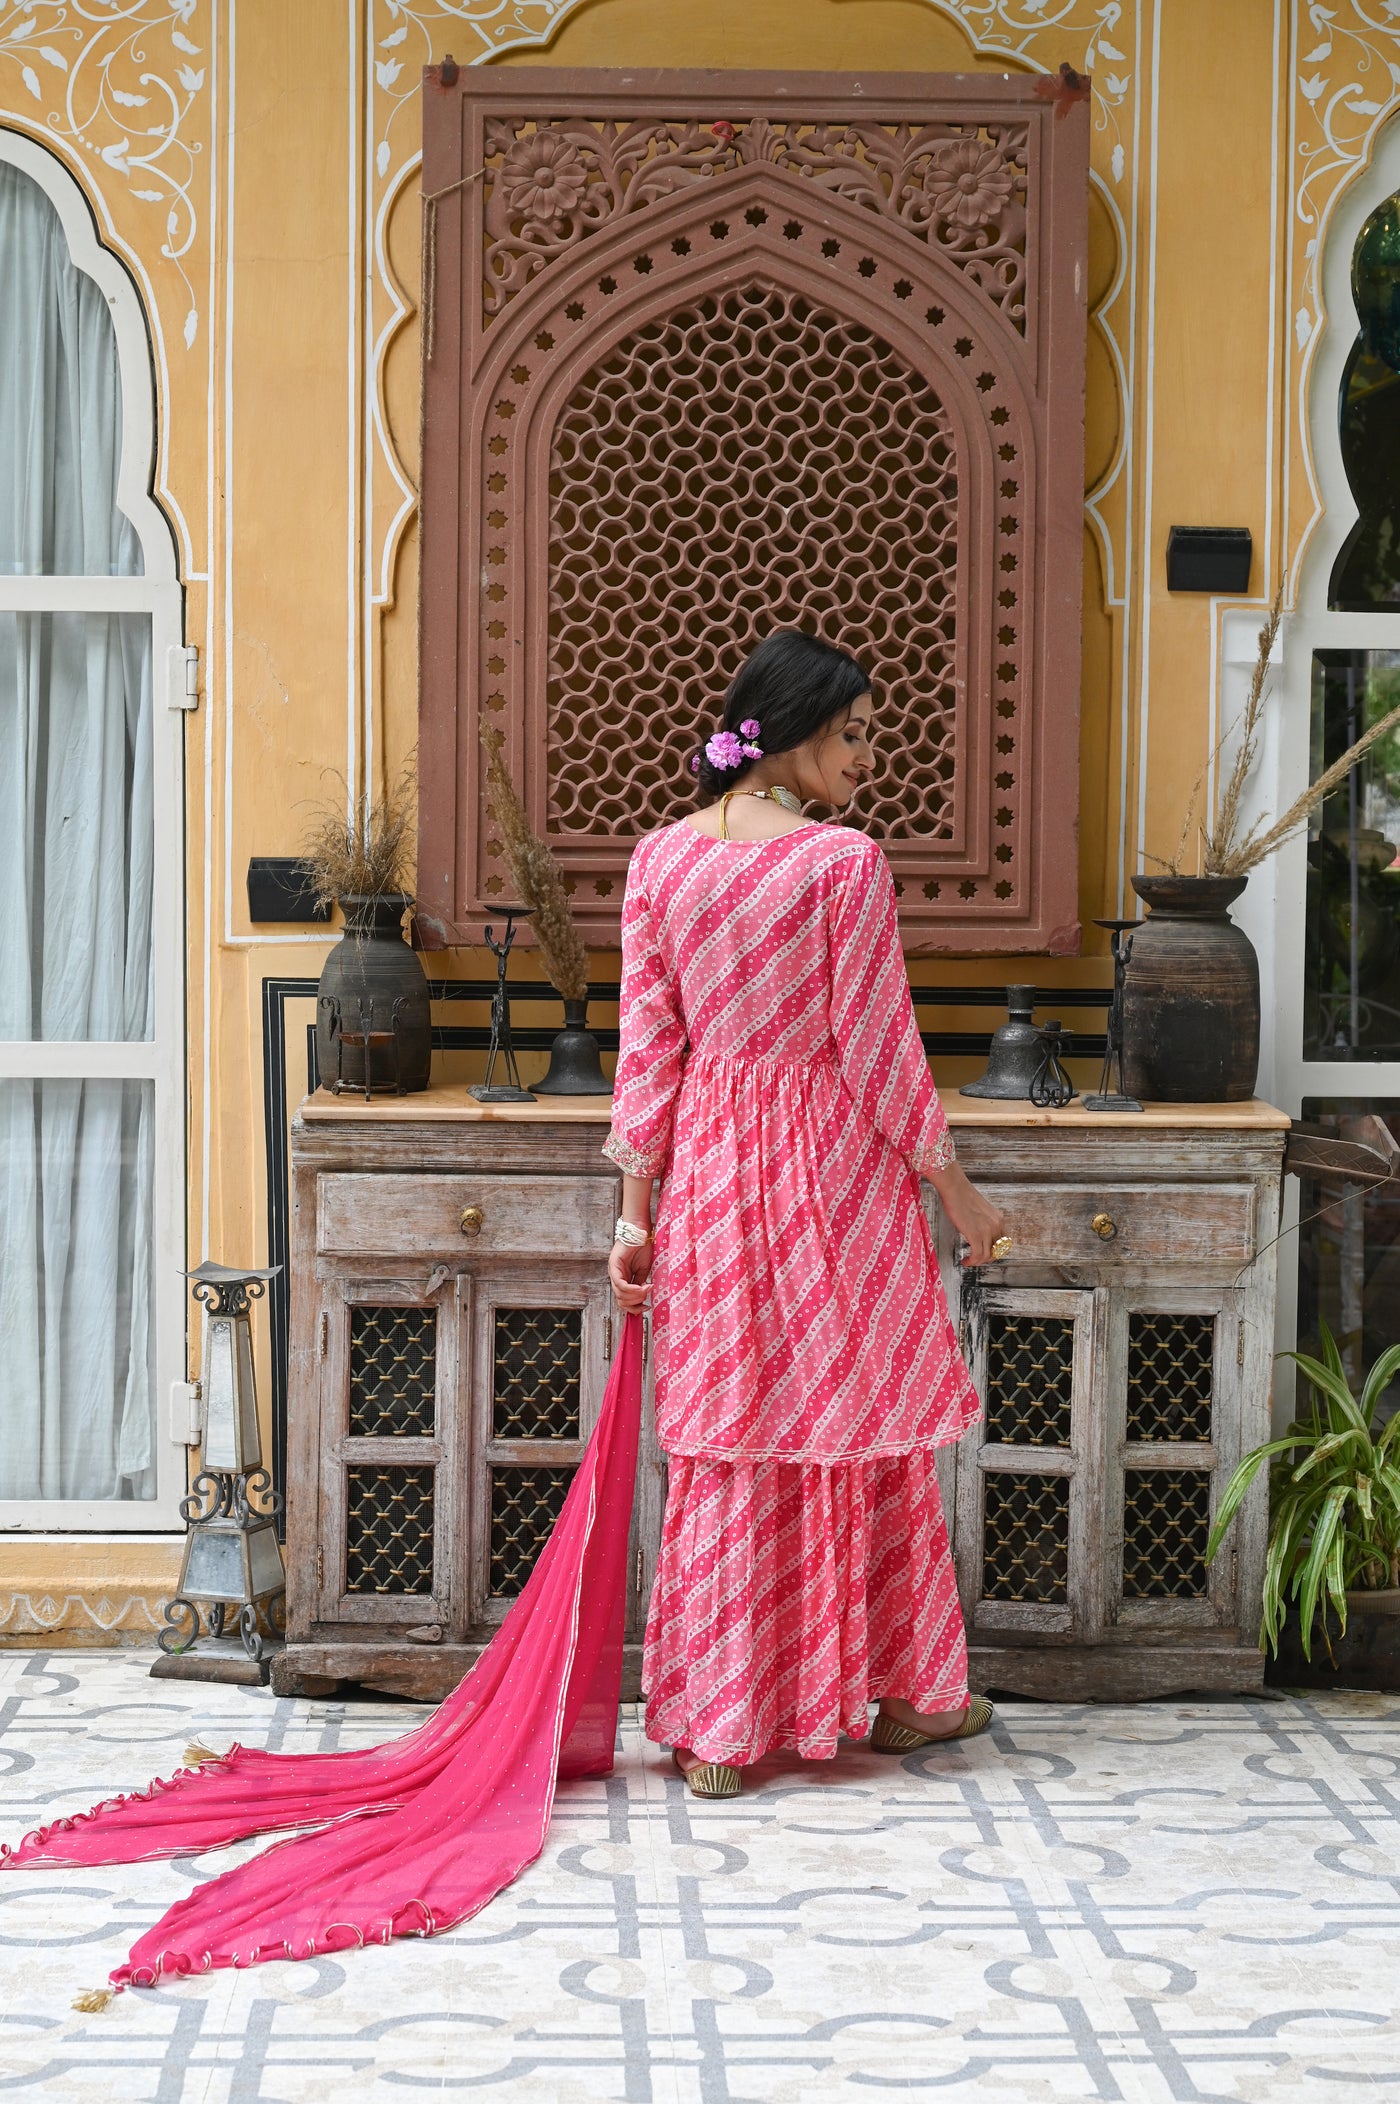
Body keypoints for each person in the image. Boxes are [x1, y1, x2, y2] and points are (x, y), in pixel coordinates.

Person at [603, 629, 1009, 1798]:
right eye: (855, 734)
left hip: (714, 1183)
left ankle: (719, 1729)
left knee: (731, 1433)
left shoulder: (657, 862)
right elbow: (879, 1055)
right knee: (857, 1429)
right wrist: (958, 1192)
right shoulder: (839, 865)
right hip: (833, 1175)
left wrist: (635, 1220)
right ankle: (904, 1695)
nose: (866, 759)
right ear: (790, 738)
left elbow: (650, 1056)